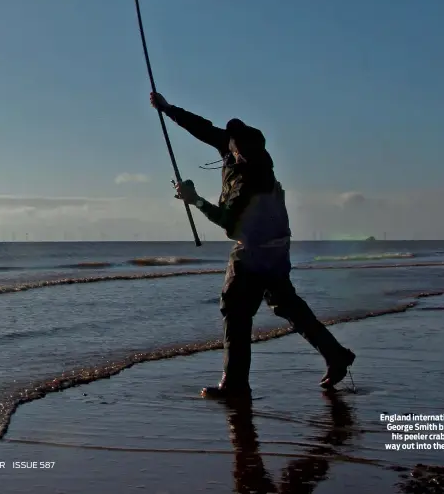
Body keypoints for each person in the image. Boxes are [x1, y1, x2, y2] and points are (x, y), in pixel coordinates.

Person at [150, 92, 356, 399]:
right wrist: (167, 109)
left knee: (234, 308)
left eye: (235, 148)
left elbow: (231, 224)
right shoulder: (235, 148)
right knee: (288, 305)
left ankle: (234, 384)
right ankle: (335, 355)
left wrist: (195, 200)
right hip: (277, 246)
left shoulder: (251, 179)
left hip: (255, 249)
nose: (231, 150)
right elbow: (203, 128)